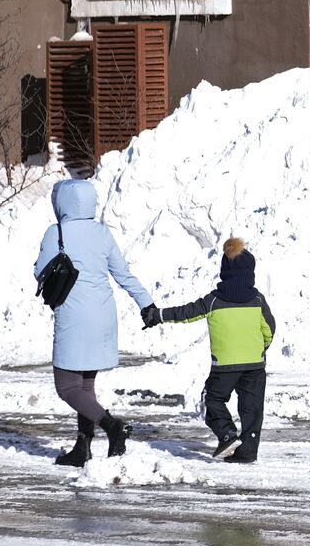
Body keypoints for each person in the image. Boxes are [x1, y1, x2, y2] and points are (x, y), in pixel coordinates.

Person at [34, 179, 157, 466]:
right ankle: (82, 448)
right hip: (103, 316)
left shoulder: (57, 232)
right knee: (85, 387)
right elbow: (123, 273)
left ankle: (112, 426)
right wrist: (146, 303)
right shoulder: (103, 233)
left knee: (67, 387)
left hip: (74, 318)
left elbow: (41, 271)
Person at [145, 238, 275, 463]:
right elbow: (269, 329)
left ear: (225, 271)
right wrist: (260, 348)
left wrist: (158, 315)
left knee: (212, 398)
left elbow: (186, 313)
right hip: (255, 364)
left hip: (225, 366)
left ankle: (227, 434)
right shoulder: (257, 299)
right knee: (252, 409)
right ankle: (248, 451)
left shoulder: (215, 300)